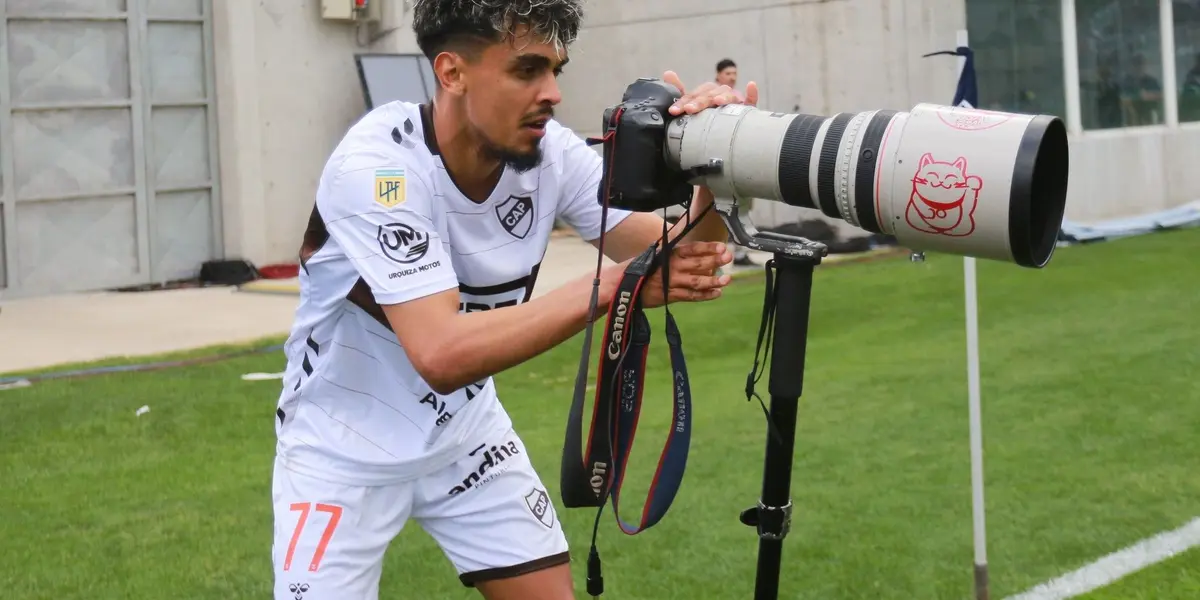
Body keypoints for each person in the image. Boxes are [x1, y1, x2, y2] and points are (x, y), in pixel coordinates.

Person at [269, 1, 759, 599]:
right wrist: (611, 285)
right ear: (452, 73)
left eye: (557, 69)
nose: (552, 93)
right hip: (342, 450)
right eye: (527, 70)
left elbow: (679, 257)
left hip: (465, 438)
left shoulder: (552, 154)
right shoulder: (378, 169)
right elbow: (441, 354)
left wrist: (715, 161)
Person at [714, 58, 754, 266]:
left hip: (737, 159)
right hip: (719, 161)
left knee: (741, 207)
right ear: (719, 74)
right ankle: (716, 259)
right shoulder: (713, 96)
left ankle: (739, 253)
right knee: (719, 211)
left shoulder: (738, 97)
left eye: (734, 73)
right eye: (728, 73)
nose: (732, 77)